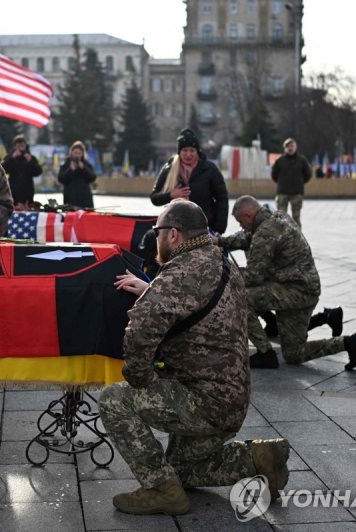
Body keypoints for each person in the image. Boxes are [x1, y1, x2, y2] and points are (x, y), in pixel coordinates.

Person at [99, 199, 290, 516]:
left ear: (173, 234)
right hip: (232, 400)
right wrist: (152, 290)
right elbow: (195, 305)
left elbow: (140, 332)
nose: (155, 237)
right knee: (179, 471)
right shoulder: (221, 260)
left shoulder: (179, 273)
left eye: (157, 230)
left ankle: (161, 491)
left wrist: (144, 380)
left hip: (203, 402)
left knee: (114, 400)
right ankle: (259, 460)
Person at [215, 195, 356, 370]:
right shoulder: (277, 217)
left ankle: (265, 353)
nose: (241, 227)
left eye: (240, 222)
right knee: (294, 354)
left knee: (240, 298)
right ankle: (350, 343)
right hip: (304, 288)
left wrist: (227, 276)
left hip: (295, 292)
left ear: (249, 216)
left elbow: (252, 278)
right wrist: (221, 241)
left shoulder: (265, 233)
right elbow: (247, 237)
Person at [150, 128, 228, 234]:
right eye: (185, 150)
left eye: (192, 150)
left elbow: (222, 198)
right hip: (176, 227)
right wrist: (170, 195)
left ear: (197, 151)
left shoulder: (209, 169)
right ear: (179, 152)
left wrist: (219, 228)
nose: (188, 154)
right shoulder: (169, 168)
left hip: (204, 226)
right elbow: (154, 198)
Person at [271, 138, 311, 227]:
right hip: (282, 192)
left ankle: (297, 239)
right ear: (285, 148)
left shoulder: (302, 160)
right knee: (281, 218)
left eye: (292, 146)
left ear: (295, 147)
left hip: (296, 192)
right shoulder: (279, 160)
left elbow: (308, 174)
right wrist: (282, 183)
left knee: (296, 218)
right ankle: (281, 238)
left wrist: (300, 182)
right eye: (288, 146)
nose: (290, 148)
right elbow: (274, 175)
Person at [1, 133, 42, 208]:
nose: (21, 146)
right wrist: (12, 158)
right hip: (14, 192)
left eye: (22, 144)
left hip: (28, 191)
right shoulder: (10, 157)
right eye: (18, 144)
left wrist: (30, 161)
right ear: (15, 146)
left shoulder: (31, 157)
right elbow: (2, 169)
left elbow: (38, 172)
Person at [57, 140, 96, 209]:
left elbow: (92, 177)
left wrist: (83, 168)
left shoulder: (86, 164)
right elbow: (61, 179)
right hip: (70, 199)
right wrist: (71, 170)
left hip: (85, 200)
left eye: (79, 153)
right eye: (75, 153)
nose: (77, 155)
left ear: (82, 154)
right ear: (71, 153)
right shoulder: (66, 164)